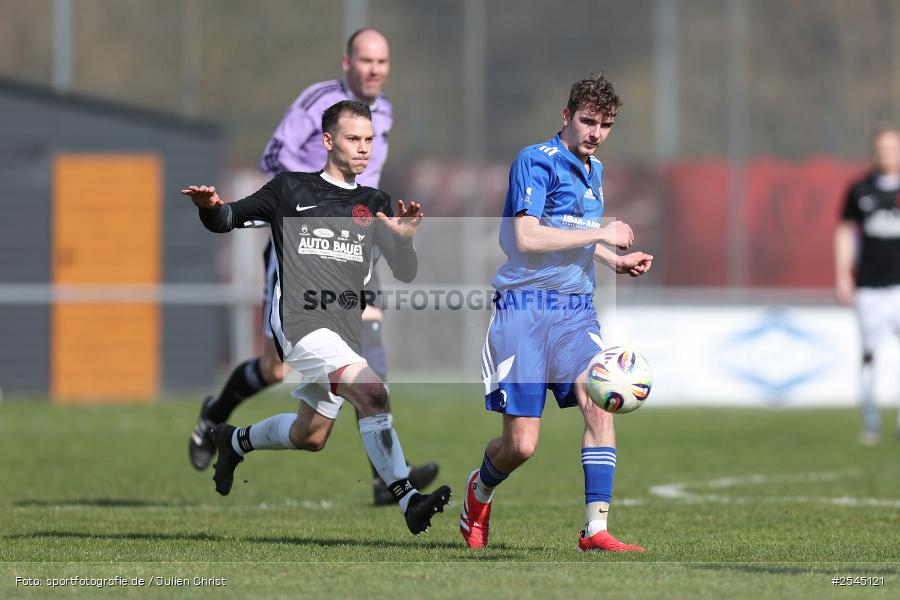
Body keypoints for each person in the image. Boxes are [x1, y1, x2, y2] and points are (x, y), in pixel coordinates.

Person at [187, 28, 439, 502]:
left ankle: (381, 478)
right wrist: (317, 191)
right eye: (366, 60)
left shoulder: (383, 113)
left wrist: (389, 230)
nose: (374, 70)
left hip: (359, 236)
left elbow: (405, 264)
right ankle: (214, 417)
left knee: (319, 427)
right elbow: (272, 157)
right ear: (348, 64)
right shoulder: (318, 103)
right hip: (304, 247)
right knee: (275, 369)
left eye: (382, 62)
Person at [458, 74, 653, 551]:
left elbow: (572, 232)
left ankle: (596, 528)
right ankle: (477, 494)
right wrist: (602, 235)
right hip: (524, 311)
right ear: (566, 117)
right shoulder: (535, 161)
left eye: (605, 125)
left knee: (599, 400)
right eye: (588, 121)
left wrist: (612, 259)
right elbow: (528, 237)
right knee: (521, 445)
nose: (595, 133)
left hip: (574, 314)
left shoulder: (595, 170)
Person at [834, 124, 900, 445]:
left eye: (891, 148)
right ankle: (871, 420)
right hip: (870, 287)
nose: (885, 154)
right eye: (881, 148)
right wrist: (842, 274)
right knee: (870, 354)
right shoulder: (859, 190)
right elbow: (845, 231)